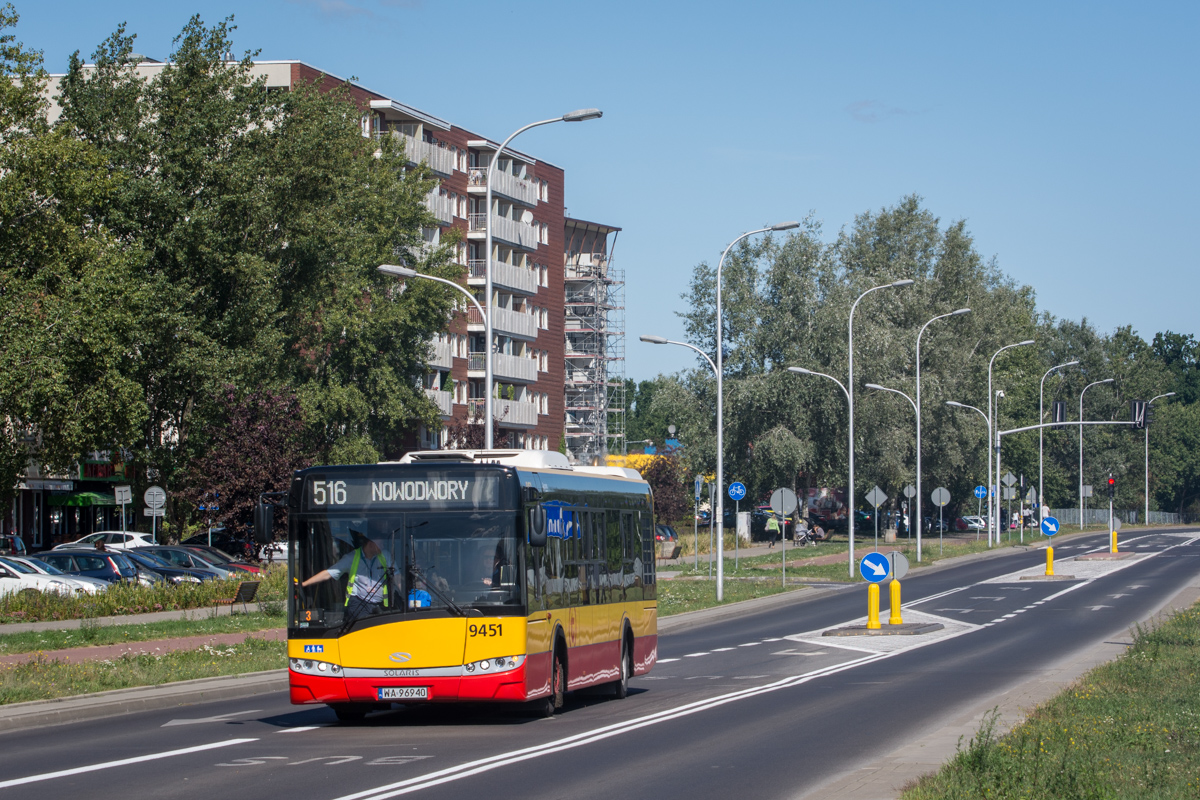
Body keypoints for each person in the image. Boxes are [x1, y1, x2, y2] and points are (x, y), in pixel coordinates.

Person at [302, 531, 393, 618]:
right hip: (359, 605)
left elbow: (397, 576)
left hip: (379, 605)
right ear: (371, 544)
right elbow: (328, 573)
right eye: (380, 544)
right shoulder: (351, 558)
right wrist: (303, 584)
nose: (383, 546)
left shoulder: (385, 556)